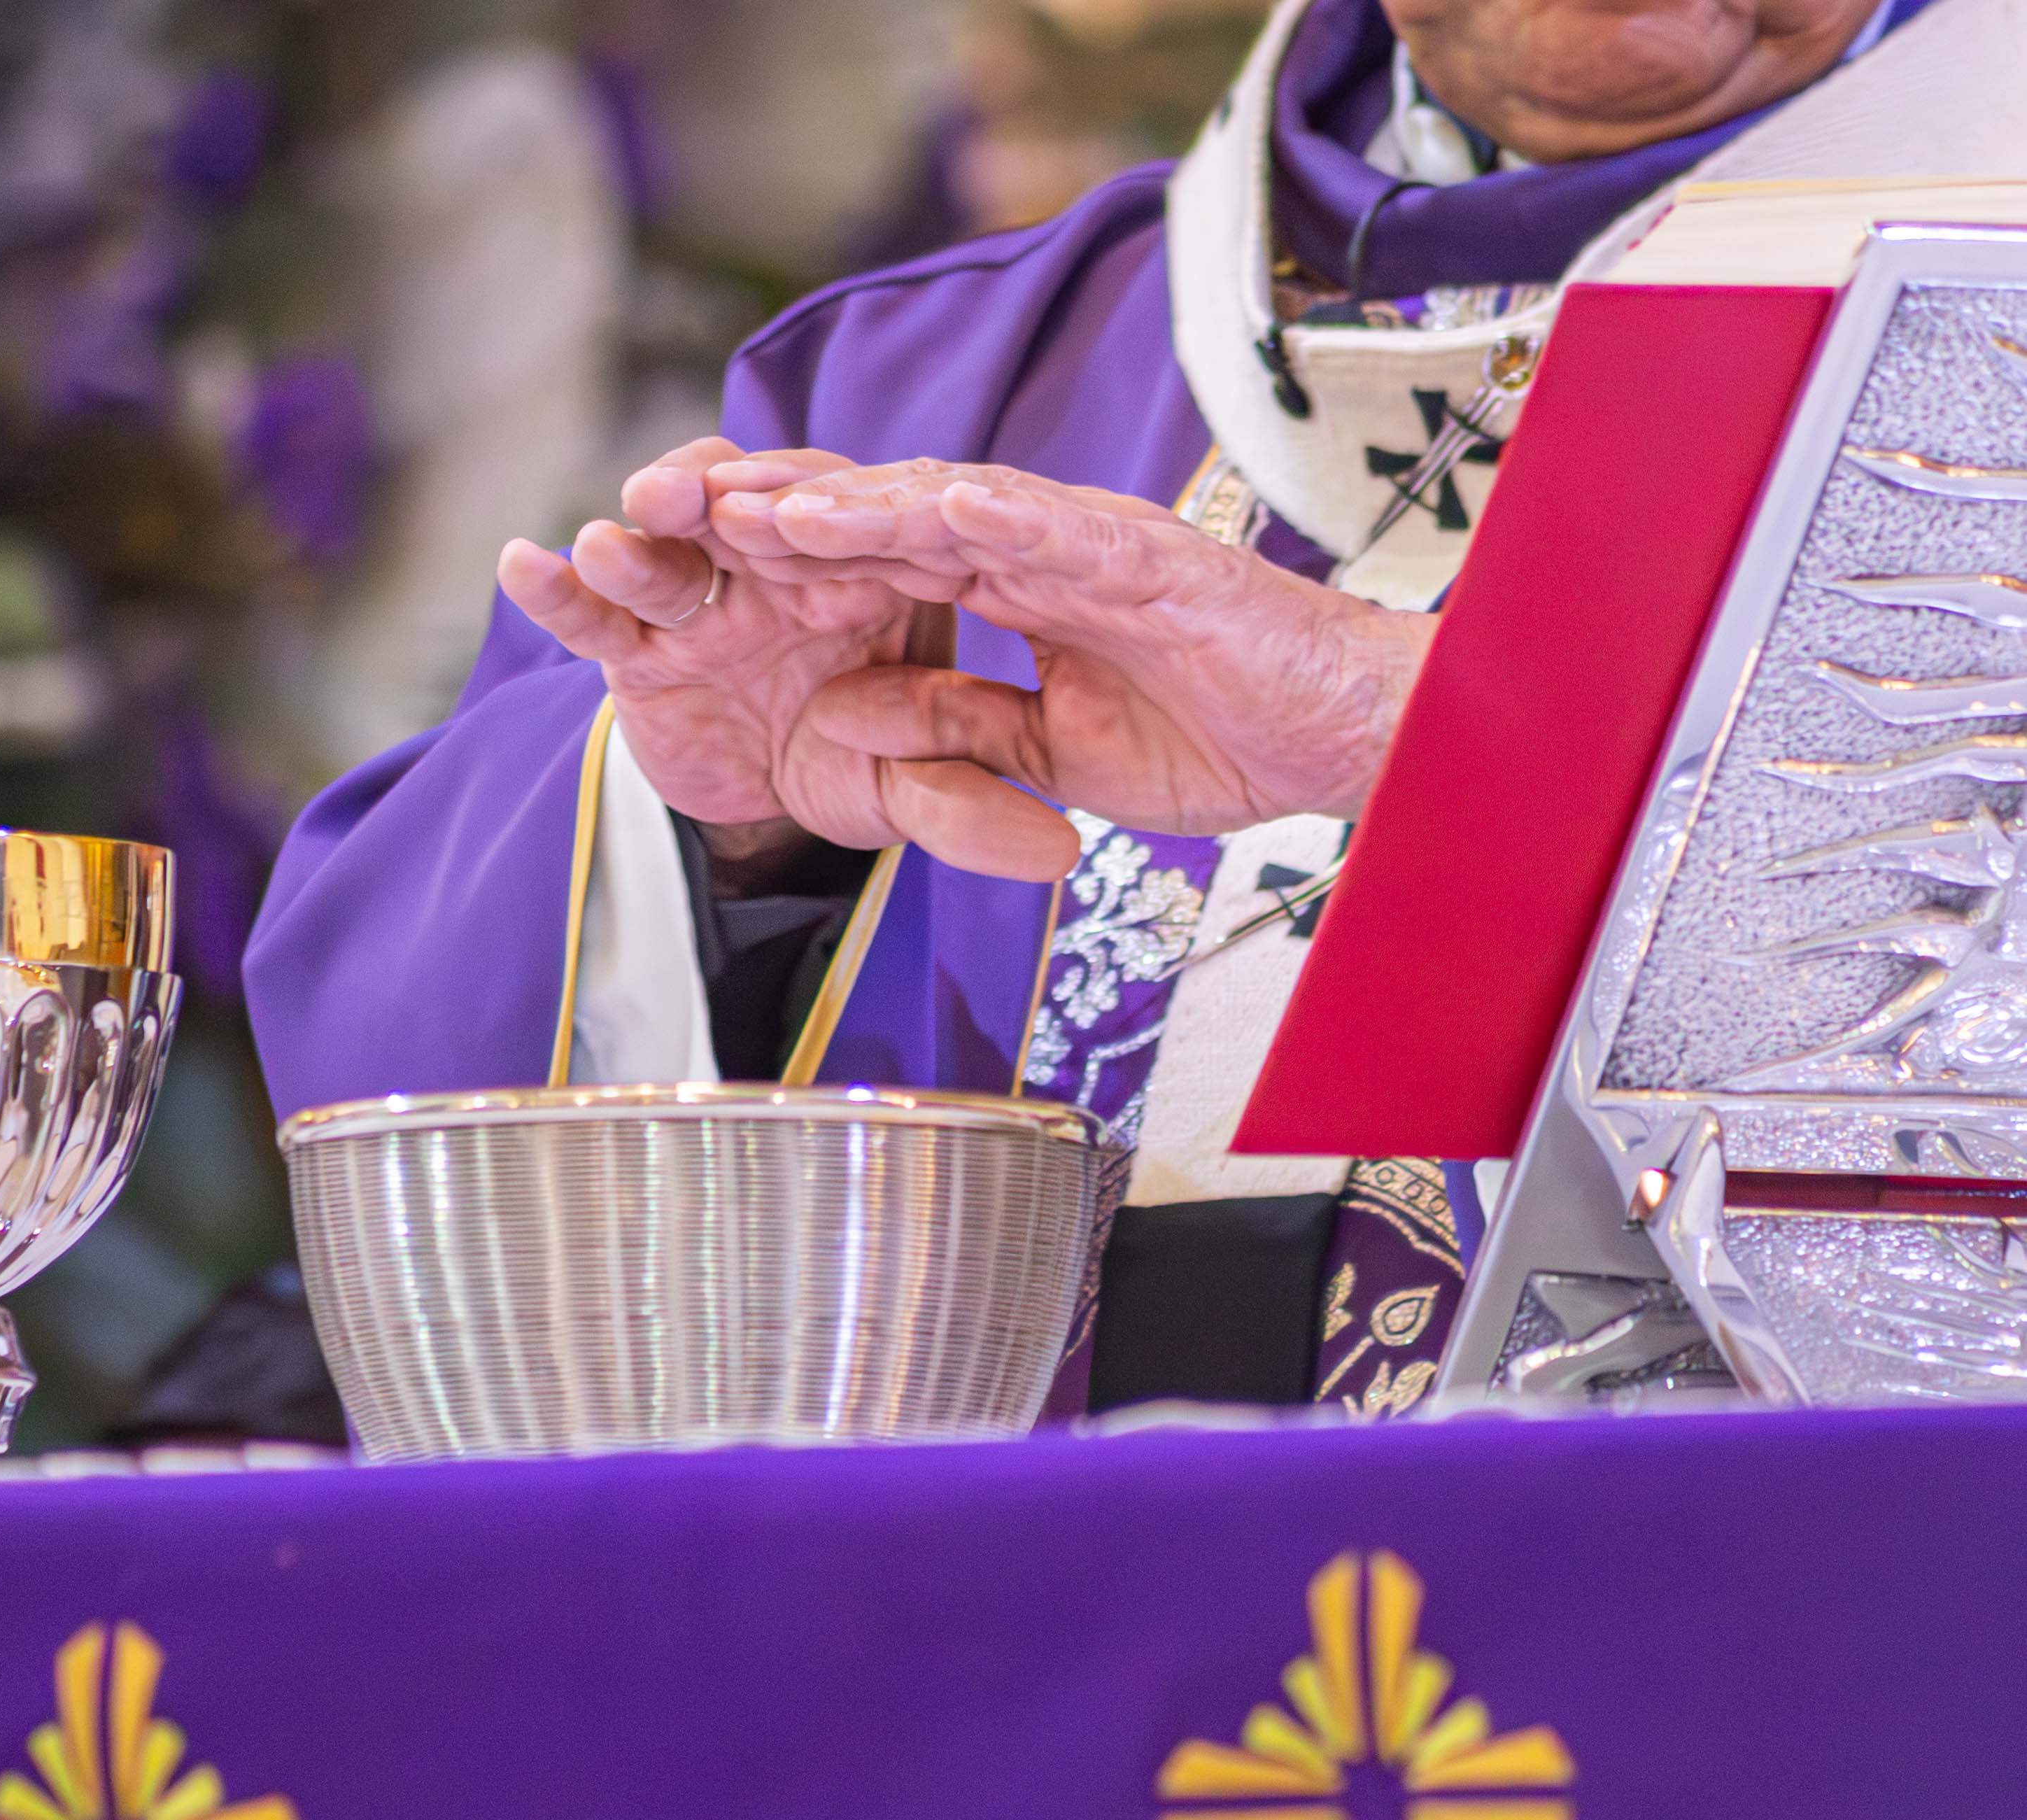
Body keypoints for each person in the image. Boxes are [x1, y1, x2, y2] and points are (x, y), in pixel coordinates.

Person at [246, 0, 2024, 1417]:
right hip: (1046, 1676)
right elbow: (405, 1097)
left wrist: (1443, 743)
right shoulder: (920, 385)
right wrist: (717, 834)